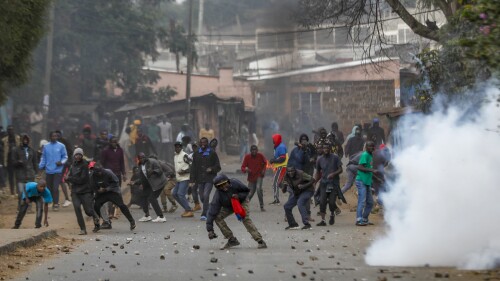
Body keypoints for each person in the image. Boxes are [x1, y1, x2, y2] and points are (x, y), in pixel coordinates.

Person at [206, 174, 267, 249]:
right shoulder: (218, 195)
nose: (224, 187)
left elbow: (246, 191)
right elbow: (212, 211)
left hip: (242, 201)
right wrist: (210, 230)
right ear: (217, 187)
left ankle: (260, 240)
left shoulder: (235, 183)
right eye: (220, 186)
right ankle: (231, 239)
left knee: (245, 218)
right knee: (217, 217)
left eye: (225, 184)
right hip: (229, 206)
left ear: (228, 182)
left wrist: (239, 196)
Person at [89, 162, 136, 230]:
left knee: (122, 205)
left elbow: (116, 182)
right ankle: (97, 224)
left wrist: (107, 189)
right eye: (97, 172)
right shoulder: (92, 176)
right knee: (96, 206)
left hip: (112, 191)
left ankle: (132, 221)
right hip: (101, 193)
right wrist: (97, 191)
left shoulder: (108, 172)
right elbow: (92, 186)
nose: (100, 173)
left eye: (100, 172)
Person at [65, 148, 100, 235]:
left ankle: (95, 217)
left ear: (82, 155)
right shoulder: (72, 165)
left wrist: (69, 178)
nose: (78, 156)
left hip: (85, 191)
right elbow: (67, 177)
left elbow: (82, 179)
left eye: (80, 154)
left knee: (88, 211)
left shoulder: (85, 165)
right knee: (77, 208)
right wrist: (67, 180)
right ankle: (83, 229)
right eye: (76, 154)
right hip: (75, 192)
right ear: (74, 155)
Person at [190, 137, 221, 221]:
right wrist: (192, 180)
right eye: (201, 143)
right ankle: (209, 208)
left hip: (209, 178)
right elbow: (193, 167)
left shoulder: (212, 152)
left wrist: (211, 169)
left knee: (206, 195)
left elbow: (218, 166)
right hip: (199, 179)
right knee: (202, 197)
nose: (203, 144)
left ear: (207, 143)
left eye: (204, 142)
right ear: (199, 144)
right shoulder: (196, 153)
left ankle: (204, 214)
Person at [314, 144, 343, 226]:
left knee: (331, 202)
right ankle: (323, 220)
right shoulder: (319, 159)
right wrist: (314, 182)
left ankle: (332, 214)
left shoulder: (335, 157)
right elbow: (318, 173)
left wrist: (333, 174)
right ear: (322, 149)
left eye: (327, 147)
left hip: (333, 183)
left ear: (330, 148)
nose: (326, 149)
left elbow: (340, 169)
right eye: (324, 148)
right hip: (323, 183)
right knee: (322, 202)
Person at [39, 131, 68, 211]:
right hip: (48, 170)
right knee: (49, 188)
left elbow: (65, 156)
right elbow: (43, 158)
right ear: (50, 137)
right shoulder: (46, 146)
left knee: (55, 188)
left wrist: (61, 162)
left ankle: (56, 204)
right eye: (53, 136)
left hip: (58, 170)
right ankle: (50, 201)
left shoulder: (61, 146)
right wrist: (40, 167)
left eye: (56, 136)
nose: (54, 137)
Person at [100, 137, 126, 222]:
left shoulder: (120, 150)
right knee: (110, 192)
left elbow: (122, 162)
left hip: (118, 175)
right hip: (109, 175)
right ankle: (110, 212)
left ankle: (114, 210)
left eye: (115, 142)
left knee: (117, 192)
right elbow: (102, 163)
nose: (114, 143)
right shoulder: (106, 151)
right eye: (112, 142)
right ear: (110, 143)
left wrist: (124, 173)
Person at [137, 153, 167, 223]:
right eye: (140, 158)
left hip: (159, 183)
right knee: (144, 196)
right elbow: (143, 177)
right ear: (138, 159)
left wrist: (153, 171)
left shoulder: (152, 161)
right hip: (149, 184)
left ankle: (161, 216)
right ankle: (147, 216)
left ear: (145, 157)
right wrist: (137, 182)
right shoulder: (141, 165)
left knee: (152, 198)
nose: (142, 159)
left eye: (143, 157)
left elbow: (160, 170)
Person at [355, 141, 379, 226]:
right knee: (362, 201)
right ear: (366, 147)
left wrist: (377, 179)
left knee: (370, 202)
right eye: (369, 146)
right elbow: (359, 167)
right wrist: (372, 170)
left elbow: (368, 169)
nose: (371, 148)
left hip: (367, 182)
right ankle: (358, 219)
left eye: (373, 146)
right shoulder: (365, 155)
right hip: (361, 180)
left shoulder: (370, 155)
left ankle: (365, 219)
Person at [12, 134, 38, 210]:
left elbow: (35, 163)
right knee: (20, 193)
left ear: (29, 140)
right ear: (21, 140)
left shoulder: (32, 150)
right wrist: (18, 162)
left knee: (30, 192)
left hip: (30, 175)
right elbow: (13, 162)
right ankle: (20, 207)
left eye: (27, 140)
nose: (25, 141)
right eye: (24, 139)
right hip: (20, 175)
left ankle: (29, 207)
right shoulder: (16, 150)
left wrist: (36, 173)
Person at [241, 145, 267, 211]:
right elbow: (243, 167)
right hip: (251, 177)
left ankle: (261, 206)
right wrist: (246, 170)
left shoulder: (260, 156)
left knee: (258, 189)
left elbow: (265, 162)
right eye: (252, 150)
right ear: (250, 151)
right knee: (249, 193)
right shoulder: (247, 157)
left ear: (257, 150)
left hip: (259, 175)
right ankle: (244, 206)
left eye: (255, 150)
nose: (254, 151)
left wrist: (263, 170)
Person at [173, 142, 194, 217]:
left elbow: (192, 165)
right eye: (176, 147)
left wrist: (185, 171)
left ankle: (189, 210)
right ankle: (186, 208)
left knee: (180, 194)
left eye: (179, 147)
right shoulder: (175, 156)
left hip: (185, 178)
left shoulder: (185, 155)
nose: (177, 148)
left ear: (181, 148)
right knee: (174, 194)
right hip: (178, 178)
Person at [269, 134, 287, 205]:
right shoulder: (277, 146)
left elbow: (283, 158)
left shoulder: (281, 147)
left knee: (275, 183)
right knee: (278, 183)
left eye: (273, 139)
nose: (272, 140)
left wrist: (274, 160)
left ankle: (276, 200)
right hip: (279, 166)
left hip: (282, 166)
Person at [3, 125, 21, 195]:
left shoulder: (17, 138)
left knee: (18, 176)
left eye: (12, 130)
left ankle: (17, 191)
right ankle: (12, 191)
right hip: (9, 160)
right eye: (9, 130)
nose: (10, 131)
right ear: (7, 131)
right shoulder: (4, 140)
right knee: (10, 177)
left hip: (17, 160)